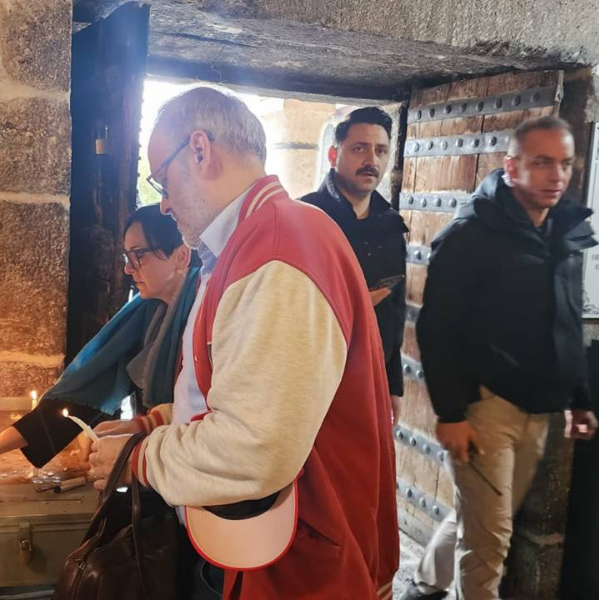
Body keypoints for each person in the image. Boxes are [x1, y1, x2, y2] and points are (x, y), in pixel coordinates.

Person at [88, 86, 399, 600]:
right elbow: (244, 389)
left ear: (201, 151)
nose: (164, 202)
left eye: (163, 180)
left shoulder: (277, 251)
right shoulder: (257, 238)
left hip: (297, 558)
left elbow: (255, 447)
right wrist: (157, 420)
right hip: (264, 539)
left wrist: (140, 456)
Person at [401, 116, 599, 600]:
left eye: (565, 164)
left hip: (541, 406)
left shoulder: (565, 231)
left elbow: (567, 320)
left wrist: (577, 397)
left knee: (488, 519)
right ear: (511, 167)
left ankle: (424, 584)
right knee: (491, 544)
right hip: (486, 404)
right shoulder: (471, 234)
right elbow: (438, 327)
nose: (557, 175)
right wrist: (451, 413)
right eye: (541, 163)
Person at [0, 204, 200, 469]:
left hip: (188, 472)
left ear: (181, 256)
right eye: (127, 256)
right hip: (157, 461)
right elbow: (88, 387)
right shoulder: (148, 311)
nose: (128, 269)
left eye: (138, 255)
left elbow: (207, 412)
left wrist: (140, 426)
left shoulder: (207, 312)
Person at [301, 107, 407, 420]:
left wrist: (392, 384)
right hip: (310, 383)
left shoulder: (391, 226)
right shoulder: (304, 218)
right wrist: (355, 302)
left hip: (369, 381)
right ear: (334, 155)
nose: (371, 161)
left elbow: (393, 312)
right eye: (359, 148)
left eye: (381, 150)